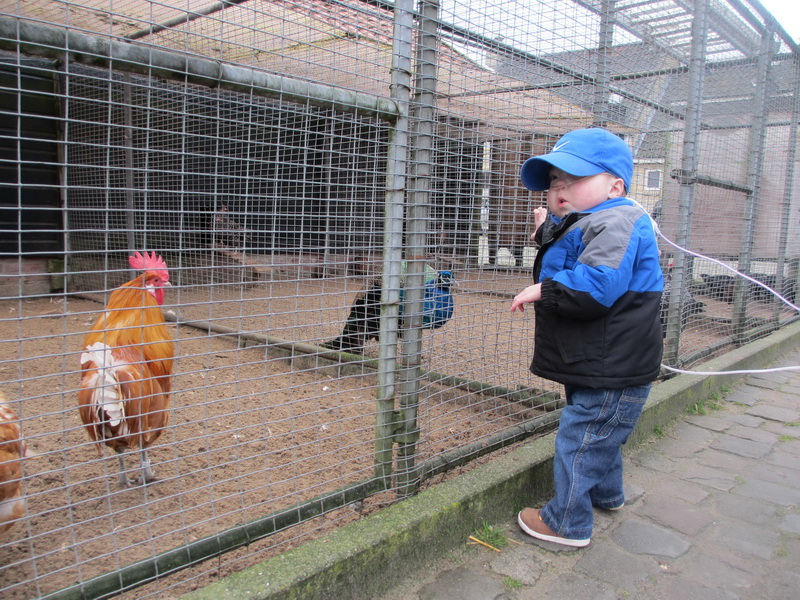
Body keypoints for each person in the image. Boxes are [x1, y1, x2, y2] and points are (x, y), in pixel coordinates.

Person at [510, 127, 664, 548]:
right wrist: (545, 232)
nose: (560, 189)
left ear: (615, 185)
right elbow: (574, 250)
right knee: (600, 432)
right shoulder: (592, 219)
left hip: (612, 361)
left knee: (581, 438)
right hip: (600, 359)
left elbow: (597, 281)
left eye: (574, 179)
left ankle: (567, 523)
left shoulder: (619, 219)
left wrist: (544, 289)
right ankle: (607, 494)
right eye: (555, 181)